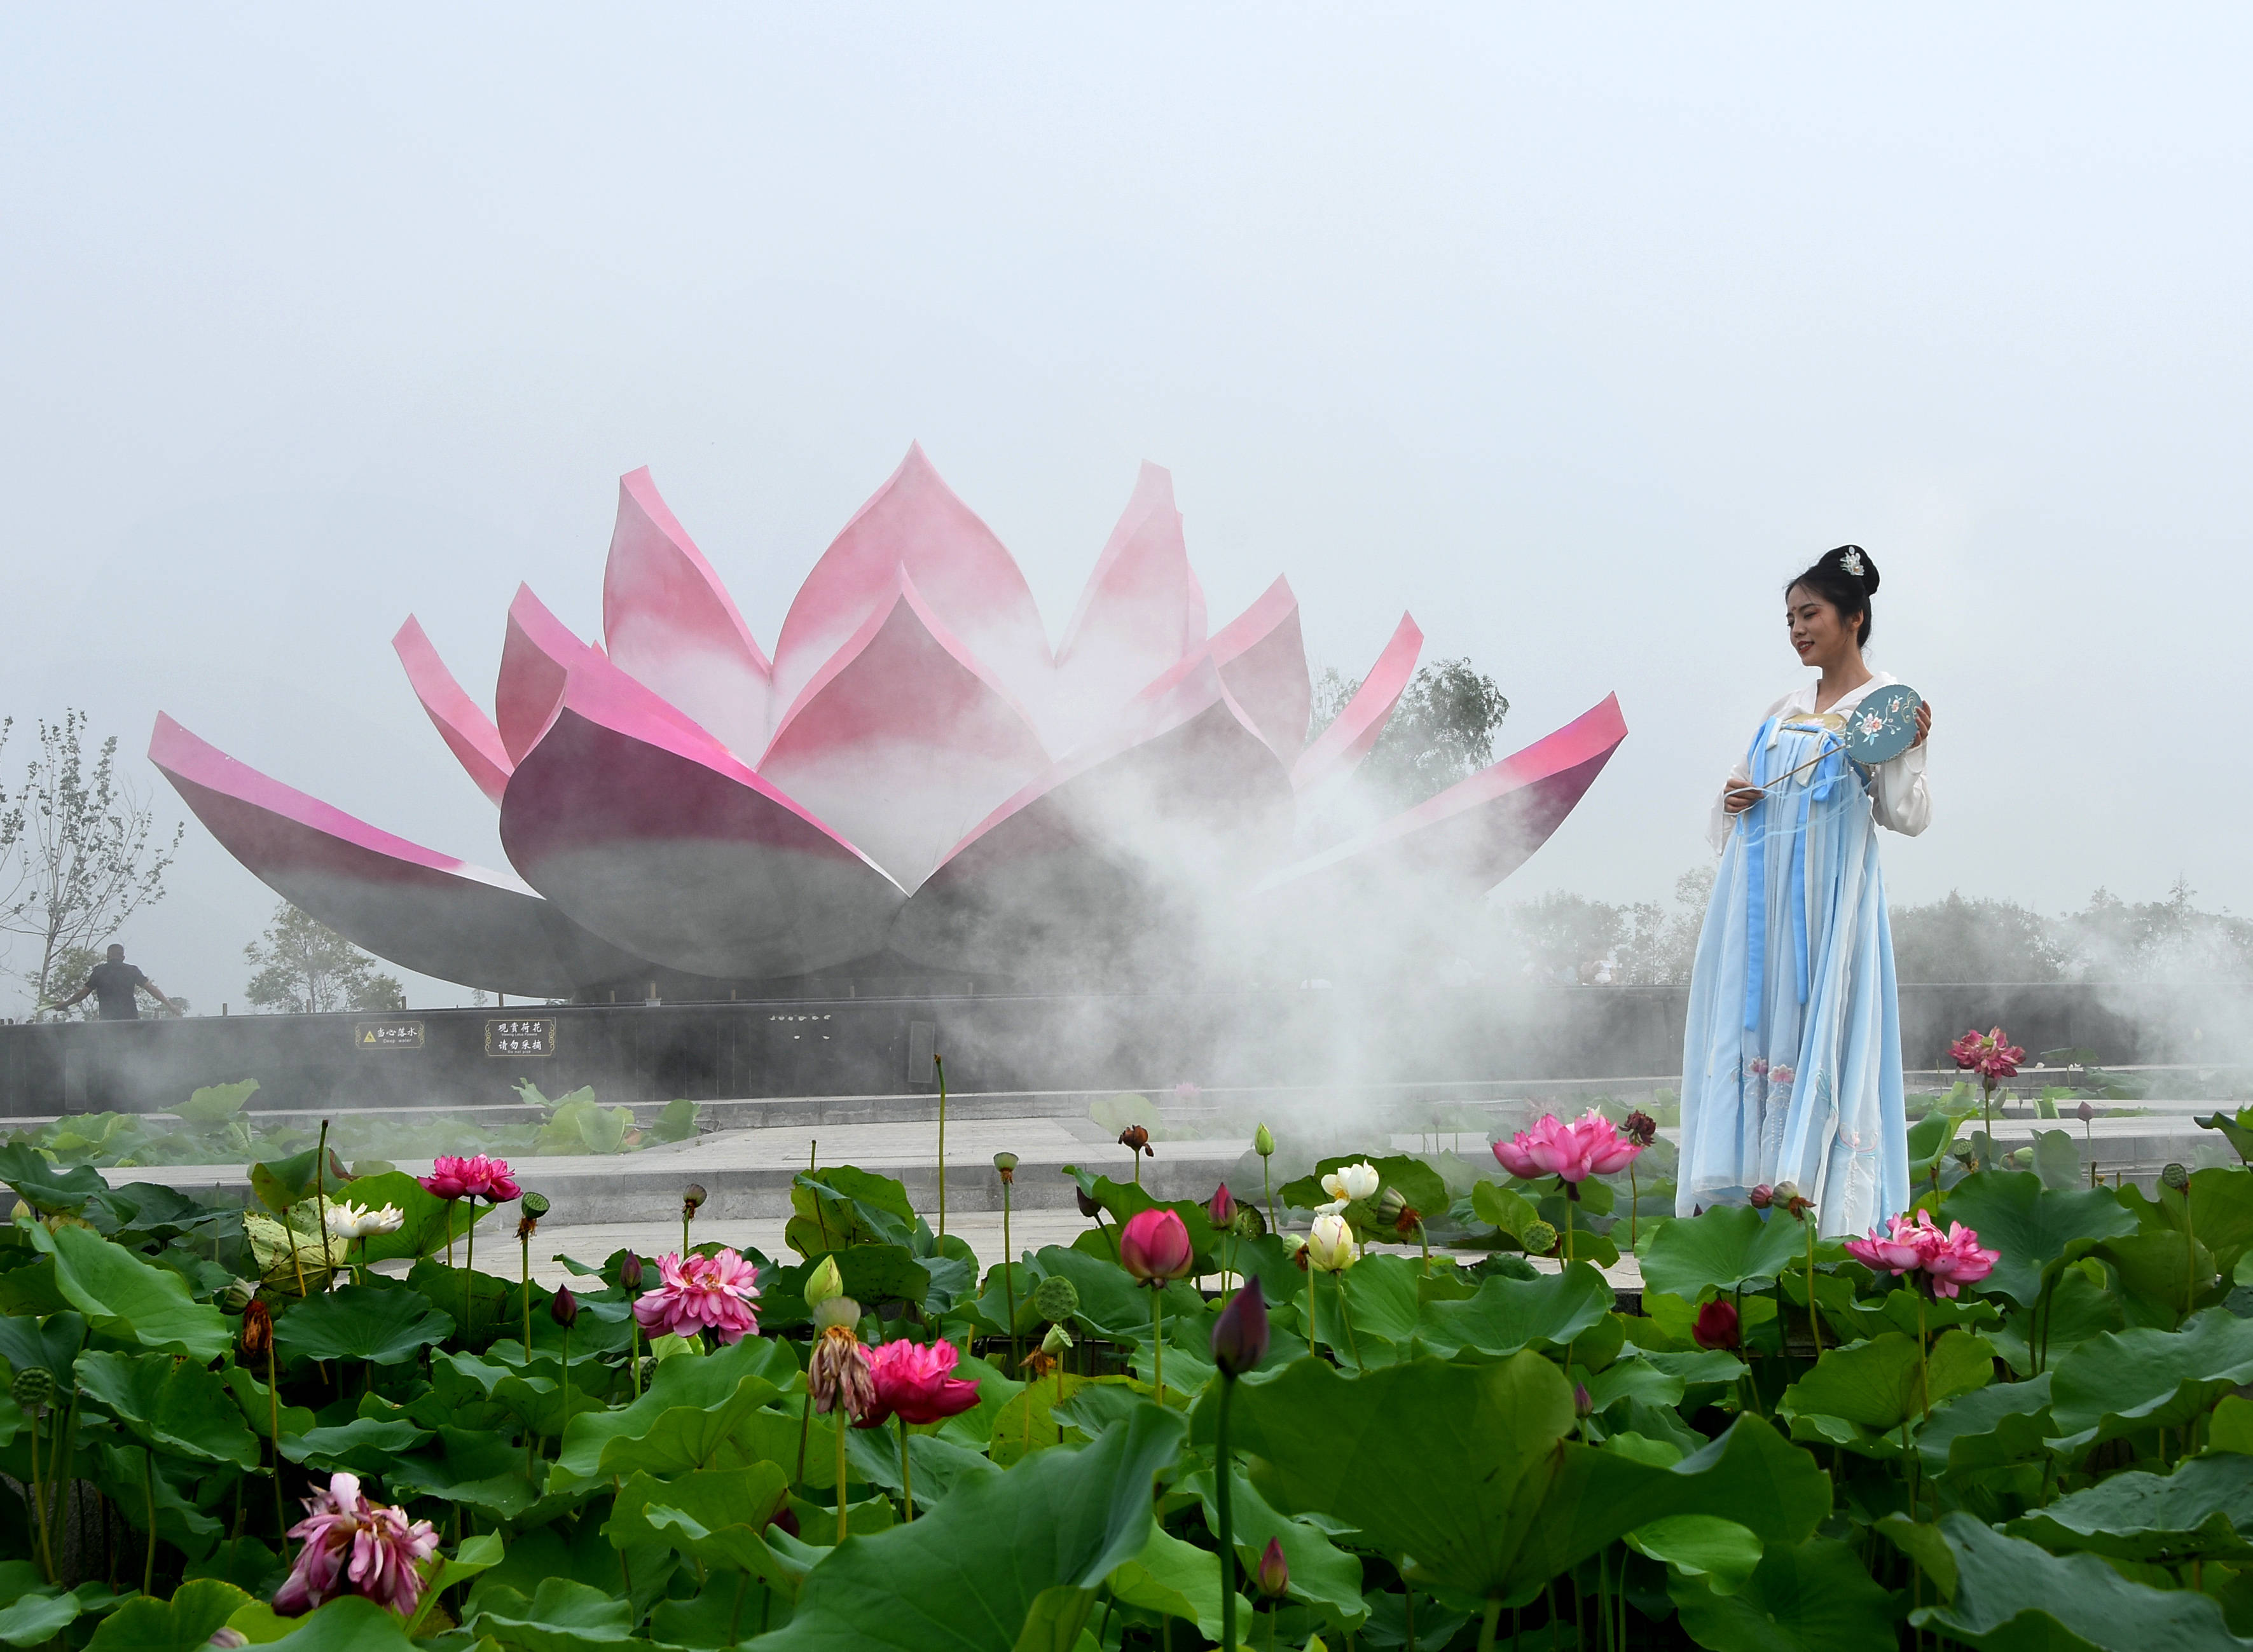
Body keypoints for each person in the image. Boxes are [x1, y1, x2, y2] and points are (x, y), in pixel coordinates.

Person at [1676, 545, 1931, 1236]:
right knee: (1752, 1028)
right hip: (1756, 902)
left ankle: (1823, 1203)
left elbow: (1903, 815)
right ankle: (1744, 1193)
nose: (1796, 629)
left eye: (1809, 613)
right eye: (1789, 617)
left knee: (1827, 1026)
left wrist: (1902, 749)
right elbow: (1736, 795)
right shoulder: (1784, 708)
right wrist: (1733, 797)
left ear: (1852, 618)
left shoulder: (1886, 703)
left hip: (1829, 907)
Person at [50, 944, 179, 1021]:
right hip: (130, 1019)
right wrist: (169, 1005)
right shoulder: (132, 970)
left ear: (107, 957)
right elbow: (151, 989)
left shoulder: (99, 971)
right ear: (123, 957)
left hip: (108, 1021)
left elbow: (82, 994)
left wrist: (65, 1004)